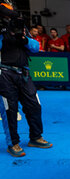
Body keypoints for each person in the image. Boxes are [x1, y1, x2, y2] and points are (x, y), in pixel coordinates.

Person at [0, 2, 52, 157]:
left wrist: (23, 39)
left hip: (24, 73)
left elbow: (35, 47)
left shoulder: (21, 28)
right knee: (10, 109)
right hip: (4, 73)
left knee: (34, 105)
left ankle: (35, 137)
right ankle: (13, 143)